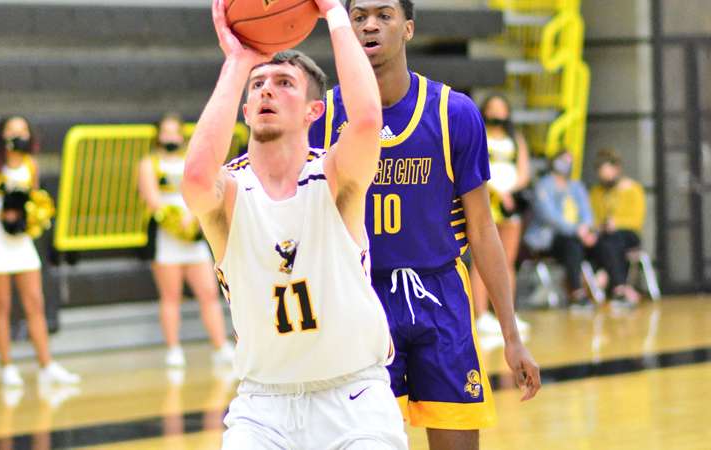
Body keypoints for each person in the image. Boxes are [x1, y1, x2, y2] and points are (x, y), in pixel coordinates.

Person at [308, 2, 540, 449]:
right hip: (361, 300)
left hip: (441, 299)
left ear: (409, 28)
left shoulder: (455, 112)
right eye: (359, 16)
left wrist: (512, 337)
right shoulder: (323, 118)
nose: (370, 24)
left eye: (384, 14)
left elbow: (482, 229)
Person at [183, 0, 407, 448]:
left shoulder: (335, 178)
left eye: (285, 83)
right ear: (244, 110)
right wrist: (238, 60)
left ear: (313, 111)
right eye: (258, 86)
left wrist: (334, 14)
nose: (266, 91)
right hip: (263, 409)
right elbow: (193, 178)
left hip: (354, 398)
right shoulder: (229, 194)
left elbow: (365, 119)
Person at [0, 116, 79, 387]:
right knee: (1, 304)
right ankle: (7, 366)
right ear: (1, 135)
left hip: (23, 242)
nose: (18, 135)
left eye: (23, 130)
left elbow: (36, 198)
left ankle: (46, 364)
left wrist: (35, 216)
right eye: (12, 131)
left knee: (35, 303)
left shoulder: (31, 165)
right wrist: (0, 213)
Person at [137, 113, 234, 368]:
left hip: (194, 235)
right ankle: (173, 350)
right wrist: (173, 220)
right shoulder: (150, 163)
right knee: (171, 295)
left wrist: (193, 217)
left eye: (174, 132)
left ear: (182, 135)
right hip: (165, 236)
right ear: (158, 136)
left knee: (208, 292)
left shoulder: (189, 162)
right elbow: (152, 199)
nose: (171, 137)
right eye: (165, 132)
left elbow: (204, 190)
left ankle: (221, 346)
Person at [472, 94, 531, 336]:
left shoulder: (516, 138)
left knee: (507, 260)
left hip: (510, 202)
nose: (497, 112)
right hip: (488, 200)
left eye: (501, 108)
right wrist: (496, 191)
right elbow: (475, 166)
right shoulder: (479, 134)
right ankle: (481, 314)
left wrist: (511, 190)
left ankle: (506, 314)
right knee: (483, 259)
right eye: (492, 108)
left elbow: (524, 171)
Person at [524, 150, 596, 309]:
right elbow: (550, 216)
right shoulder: (543, 185)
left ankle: (614, 289)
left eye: (569, 160)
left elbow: (587, 211)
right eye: (562, 160)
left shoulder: (576, 186)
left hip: (578, 236)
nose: (566, 164)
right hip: (548, 239)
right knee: (571, 244)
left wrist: (585, 228)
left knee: (603, 243)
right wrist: (576, 231)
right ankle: (577, 292)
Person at [589, 148, 646, 306]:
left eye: (608, 171)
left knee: (613, 239)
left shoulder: (632, 188)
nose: (605, 176)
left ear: (617, 169)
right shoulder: (596, 192)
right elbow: (593, 218)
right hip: (605, 235)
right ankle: (621, 288)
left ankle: (607, 276)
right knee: (604, 241)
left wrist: (617, 223)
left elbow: (636, 219)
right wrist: (601, 226)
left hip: (628, 234)